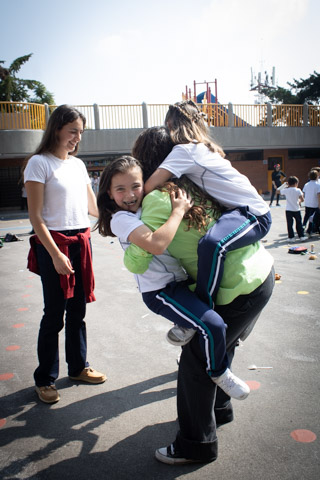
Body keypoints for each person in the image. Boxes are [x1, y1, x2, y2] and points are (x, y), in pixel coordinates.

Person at [126, 132, 274, 465]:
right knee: (224, 343)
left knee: (195, 363)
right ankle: (219, 409)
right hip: (260, 274)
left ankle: (196, 444)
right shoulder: (195, 184)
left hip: (234, 288)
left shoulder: (155, 200)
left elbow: (139, 256)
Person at [96, 156, 251, 401]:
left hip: (180, 282)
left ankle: (185, 326)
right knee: (213, 325)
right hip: (161, 292)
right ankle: (219, 373)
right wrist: (178, 210)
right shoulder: (121, 219)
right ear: (109, 192)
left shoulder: (146, 207)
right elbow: (156, 244)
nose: (130, 195)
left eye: (135, 186)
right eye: (120, 189)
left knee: (215, 312)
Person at [143, 101, 272, 311]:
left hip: (255, 214)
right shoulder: (200, 147)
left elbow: (150, 185)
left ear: (170, 124)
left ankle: (204, 304)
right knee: (211, 243)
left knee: (212, 245)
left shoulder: (184, 151)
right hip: (240, 211)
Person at [24, 105, 106, 404]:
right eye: (73, 131)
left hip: (81, 243)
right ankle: (44, 379)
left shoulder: (78, 165)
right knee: (54, 314)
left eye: (80, 133)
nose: (76, 138)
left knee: (78, 312)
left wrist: (124, 217)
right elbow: (36, 217)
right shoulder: (39, 163)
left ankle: (77, 367)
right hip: (54, 246)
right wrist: (56, 255)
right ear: (57, 128)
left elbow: (93, 208)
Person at [277, 176, 307, 242]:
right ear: (296, 183)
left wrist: (284, 185)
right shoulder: (298, 190)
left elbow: (277, 191)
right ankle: (301, 236)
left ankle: (291, 237)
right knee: (299, 223)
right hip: (296, 209)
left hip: (288, 210)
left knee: (290, 224)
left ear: (289, 183)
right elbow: (302, 199)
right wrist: (299, 201)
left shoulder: (286, 190)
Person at [302, 170, 320, 236]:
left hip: (307, 203)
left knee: (306, 217)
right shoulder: (318, 185)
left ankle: (302, 228)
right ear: (316, 176)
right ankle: (309, 230)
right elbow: (318, 196)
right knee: (312, 218)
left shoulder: (306, 184)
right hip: (315, 204)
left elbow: (303, 193)